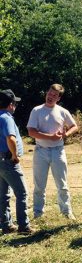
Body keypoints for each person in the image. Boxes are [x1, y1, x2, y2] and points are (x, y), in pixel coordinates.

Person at [27, 84, 78, 219]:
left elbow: (74, 126)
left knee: (62, 184)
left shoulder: (62, 111)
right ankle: (38, 213)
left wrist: (66, 134)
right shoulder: (36, 110)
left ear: (58, 98)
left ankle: (67, 212)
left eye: (54, 95)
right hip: (41, 151)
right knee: (39, 185)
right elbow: (31, 131)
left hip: (58, 151)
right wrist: (50, 137)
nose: (51, 96)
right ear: (47, 93)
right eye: (50, 93)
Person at [0, 89, 33, 234]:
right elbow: (10, 138)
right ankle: (23, 226)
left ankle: (6, 224)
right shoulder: (6, 118)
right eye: (15, 103)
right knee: (22, 193)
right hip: (8, 160)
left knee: (3, 195)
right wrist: (14, 155)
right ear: (11, 104)